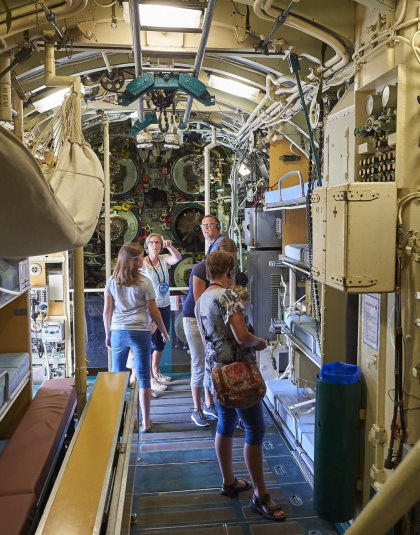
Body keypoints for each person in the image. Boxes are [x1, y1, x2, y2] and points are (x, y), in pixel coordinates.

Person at [195, 251, 285, 521]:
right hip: (238, 374)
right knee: (255, 428)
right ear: (230, 271)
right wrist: (261, 342)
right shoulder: (228, 296)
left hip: (217, 373)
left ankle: (229, 481)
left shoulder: (201, 300)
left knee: (225, 422)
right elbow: (242, 336)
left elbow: (205, 337)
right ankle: (260, 496)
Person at [103, 242, 170, 433]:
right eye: (141, 256)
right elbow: (154, 311)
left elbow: (107, 311)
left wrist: (108, 334)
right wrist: (164, 332)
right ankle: (146, 422)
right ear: (135, 260)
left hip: (118, 331)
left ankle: (120, 421)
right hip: (140, 331)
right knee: (143, 378)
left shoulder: (111, 281)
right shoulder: (144, 282)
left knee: (118, 376)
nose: (144, 258)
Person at [182, 232, 234, 427]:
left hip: (213, 319)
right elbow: (199, 304)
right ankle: (196, 409)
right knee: (199, 362)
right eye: (228, 260)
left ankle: (209, 403)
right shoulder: (200, 269)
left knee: (210, 363)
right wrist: (205, 334)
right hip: (196, 320)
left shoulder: (228, 273)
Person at [142, 234, 181, 394]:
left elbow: (177, 258)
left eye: (157, 242)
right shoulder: (143, 264)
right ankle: (150, 378)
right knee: (150, 343)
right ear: (147, 245)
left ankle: (156, 371)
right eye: (151, 242)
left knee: (161, 342)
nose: (155, 245)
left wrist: (170, 246)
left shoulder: (164, 259)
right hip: (151, 306)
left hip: (165, 304)